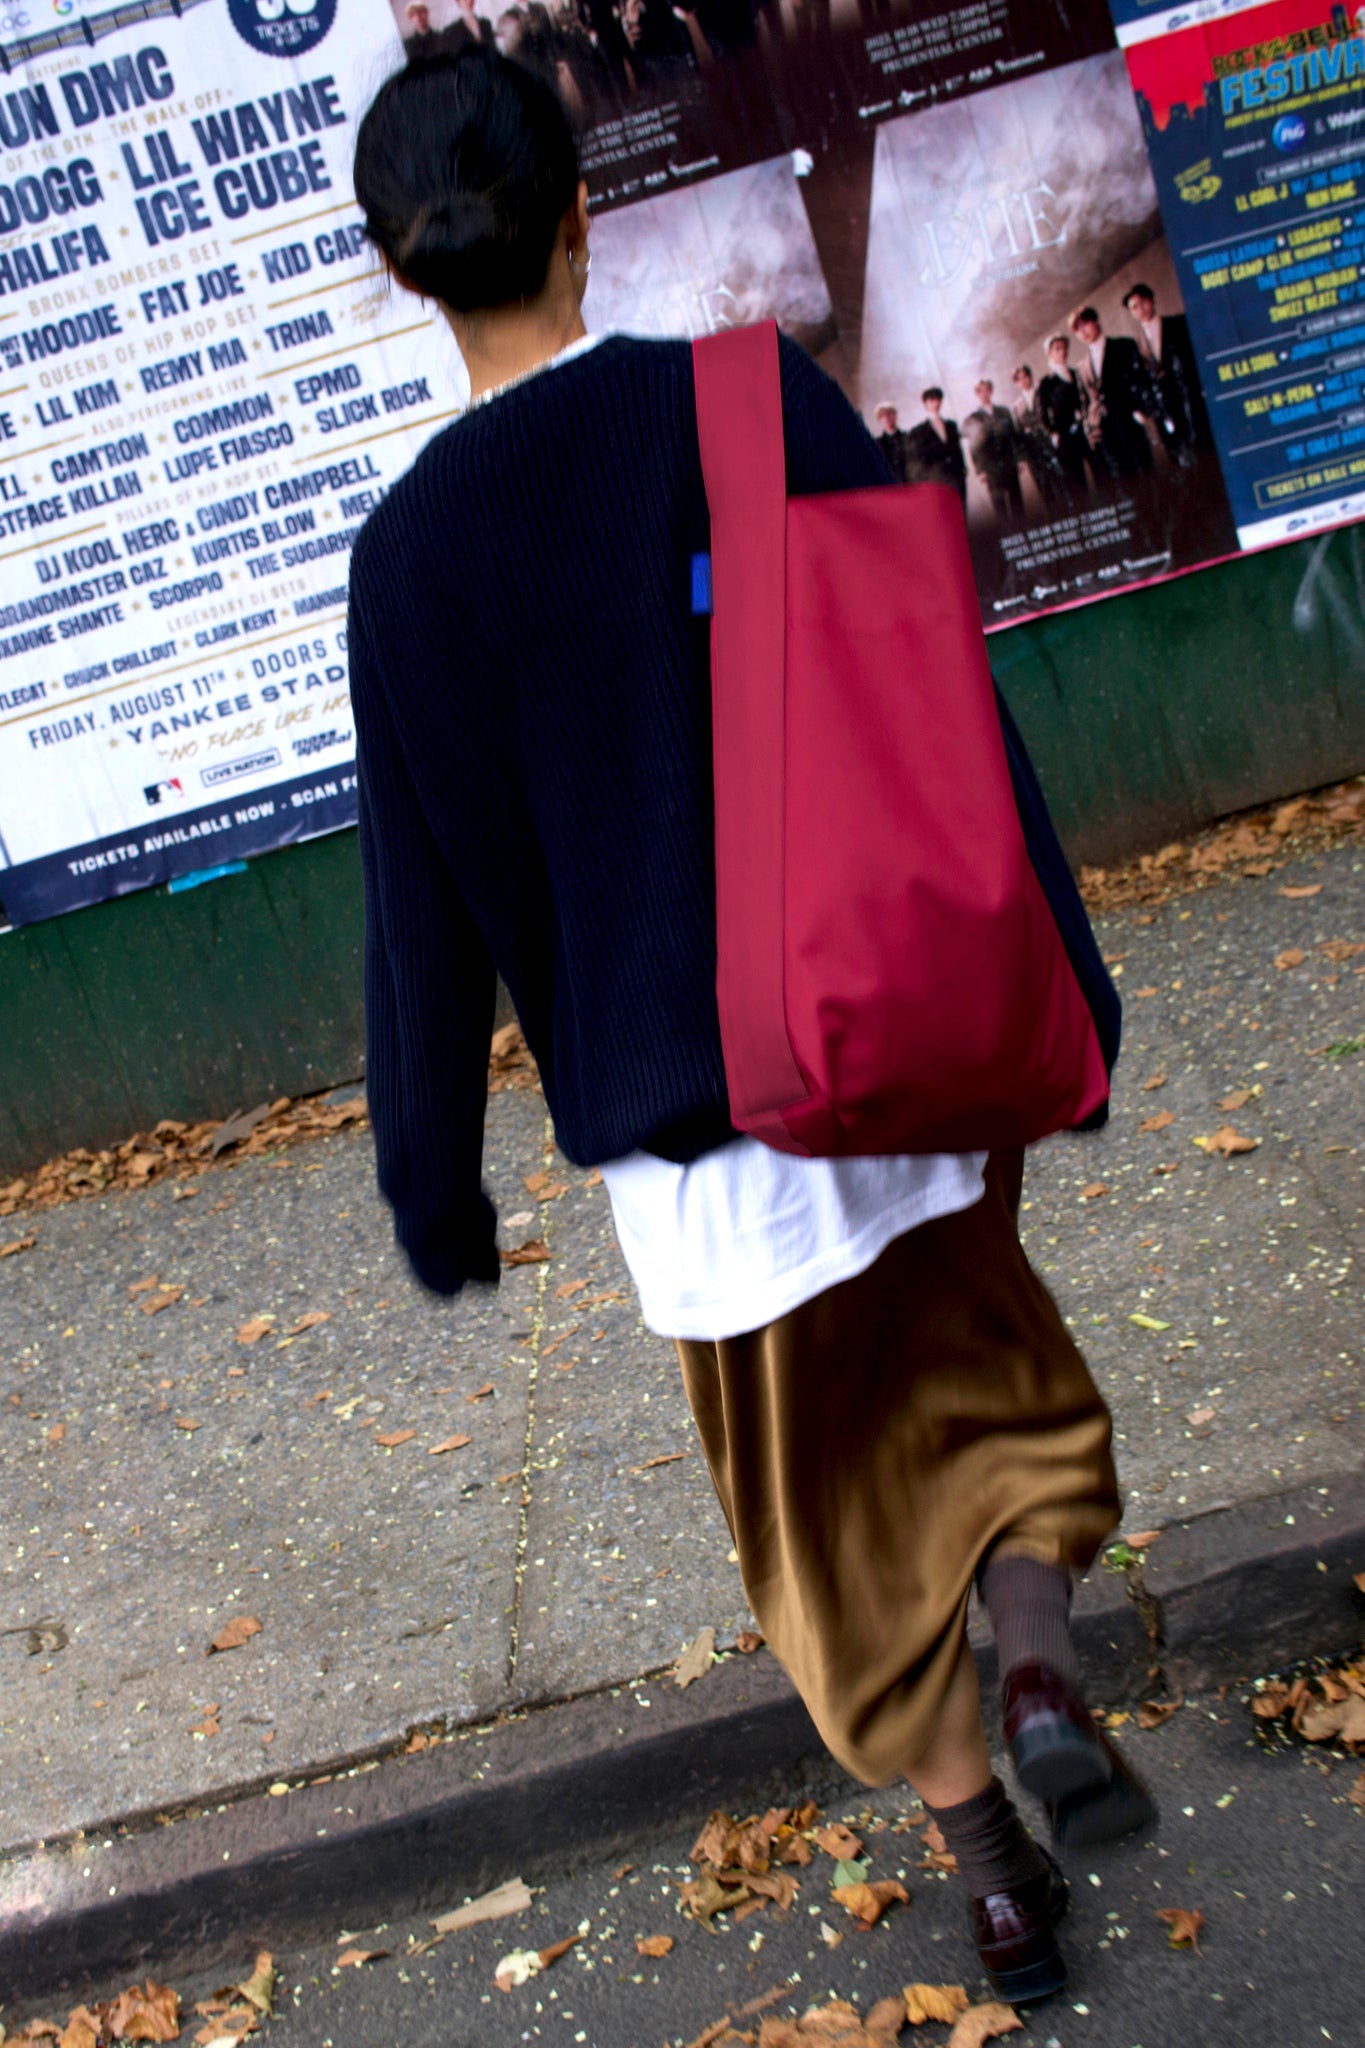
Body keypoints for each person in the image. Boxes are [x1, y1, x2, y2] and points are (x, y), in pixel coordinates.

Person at [349, 45, 1155, 2011]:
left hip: (691, 1169)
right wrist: (1064, 967)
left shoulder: (409, 565)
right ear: (581, 219)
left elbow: (420, 921)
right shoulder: (745, 400)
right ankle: (1040, 1649)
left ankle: (989, 1884)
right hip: (888, 1066)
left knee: (834, 1566)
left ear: (399, 272)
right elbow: (939, 719)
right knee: (1013, 1430)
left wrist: (431, 1189)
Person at [1122, 281, 1210, 461]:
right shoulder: (1135, 346)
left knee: (1204, 443)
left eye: (1143, 302)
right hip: (1165, 407)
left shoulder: (1178, 324)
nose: (1141, 309)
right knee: (1180, 453)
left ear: (1152, 300)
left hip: (1190, 394)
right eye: (1134, 307)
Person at [1068, 305, 1153, 484]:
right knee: (1123, 481)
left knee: (1146, 475)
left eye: (1085, 325)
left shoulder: (1123, 345)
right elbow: (1085, 400)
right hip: (1104, 431)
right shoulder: (1081, 366)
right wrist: (1090, 425)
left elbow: (1140, 380)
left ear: (1096, 321)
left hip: (1129, 421)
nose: (1082, 332)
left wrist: (1140, 410)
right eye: (1077, 330)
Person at [1037, 334, 1094, 505]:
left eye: (1064, 348)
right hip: (1065, 437)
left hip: (1084, 430)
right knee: (1077, 481)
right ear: (1049, 353)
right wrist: (1054, 433)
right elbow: (1042, 414)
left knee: (1099, 469)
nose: (1063, 352)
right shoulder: (1046, 382)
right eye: (1057, 349)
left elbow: (1085, 398)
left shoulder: (1075, 373)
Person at [963, 378, 1023, 524]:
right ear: (976, 394)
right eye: (980, 391)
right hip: (991, 469)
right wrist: (981, 470)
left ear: (991, 391)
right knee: (1000, 507)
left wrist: (1020, 459)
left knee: (1018, 504)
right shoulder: (972, 418)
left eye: (987, 390)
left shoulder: (1004, 411)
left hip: (1009, 463)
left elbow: (1013, 437)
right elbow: (974, 448)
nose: (984, 393)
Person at [1009, 364, 1067, 515]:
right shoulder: (1016, 406)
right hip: (1034, 453)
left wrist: (1055, 434)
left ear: (1030, 376)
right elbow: (1018, 434)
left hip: (1051, 444)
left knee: (1063, 483)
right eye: (1019, 379)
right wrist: (1023, 458)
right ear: (1016, 383)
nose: (1024, 381)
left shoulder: (1043, 392)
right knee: (1045, 491)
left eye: (1026, 376)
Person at [906, 386, 967, 506]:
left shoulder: (951, 425)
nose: (936, 403)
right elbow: (918, 460)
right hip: (937, 481)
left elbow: (958, 451)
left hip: (957, 479)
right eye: (932, 400)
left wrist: (962, 471)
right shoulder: (918, 431)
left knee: (961, 513)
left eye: (938, 399)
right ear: (925, 404)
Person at [873, 401, 912, 483]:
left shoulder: (909, 438)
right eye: (882, 416)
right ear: (879, 420)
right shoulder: (877, 444)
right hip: (889, 485)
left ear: (895, 416)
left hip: (910, 482)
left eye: (889, 414)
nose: (886, 418)